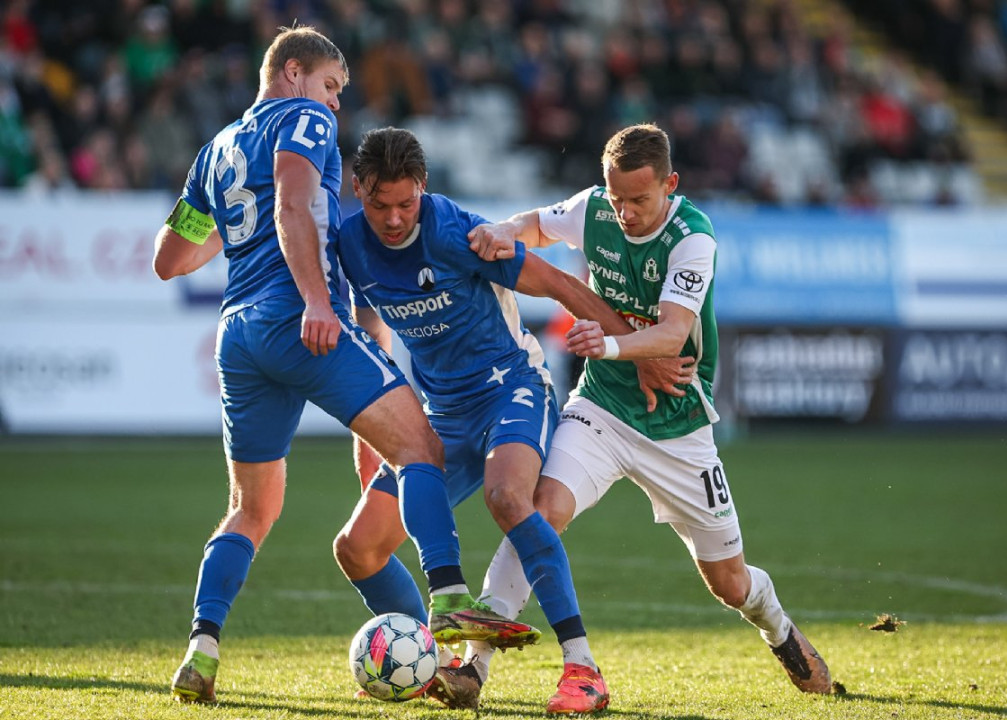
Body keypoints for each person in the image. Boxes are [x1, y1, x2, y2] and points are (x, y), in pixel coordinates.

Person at [151, 27, 531, 705]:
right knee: (421, 448)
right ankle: (447, 600)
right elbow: (292, 202)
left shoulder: (216, 149)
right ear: (293, 71)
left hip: (238, 334)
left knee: (250, 509)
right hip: (299, 320)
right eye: (331, 85)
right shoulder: (303, 117)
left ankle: (201, 648)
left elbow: (169, 259)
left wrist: (234, 233)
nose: (334, 103)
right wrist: (316, 301)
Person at [468, 123, 836, 699]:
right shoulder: (594, 209)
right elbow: (537, 225)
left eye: (639, 199)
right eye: (617, 198)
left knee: (729, 583)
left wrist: (608, 344)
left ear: (670, 184)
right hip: (603, 407)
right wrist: (504, 229)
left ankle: (779, 628)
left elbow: (672, 334)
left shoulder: (693, 238)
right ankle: (473, 666)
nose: (625, 213)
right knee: (539, 511)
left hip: (679, 428)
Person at [333, 126, 692, 713]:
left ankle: (582, 667)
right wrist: (372, 432)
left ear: (423, 187)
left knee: (507, 497)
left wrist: (639, 353)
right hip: (440, 415)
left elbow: (558, 283)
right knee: (358, 548)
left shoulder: (455, 233)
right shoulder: (349, 245)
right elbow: (370, 335)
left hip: (511, 390)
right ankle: (430, 663)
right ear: (358, 189)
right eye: (380, 205)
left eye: (406, 204)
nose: (394, 219)